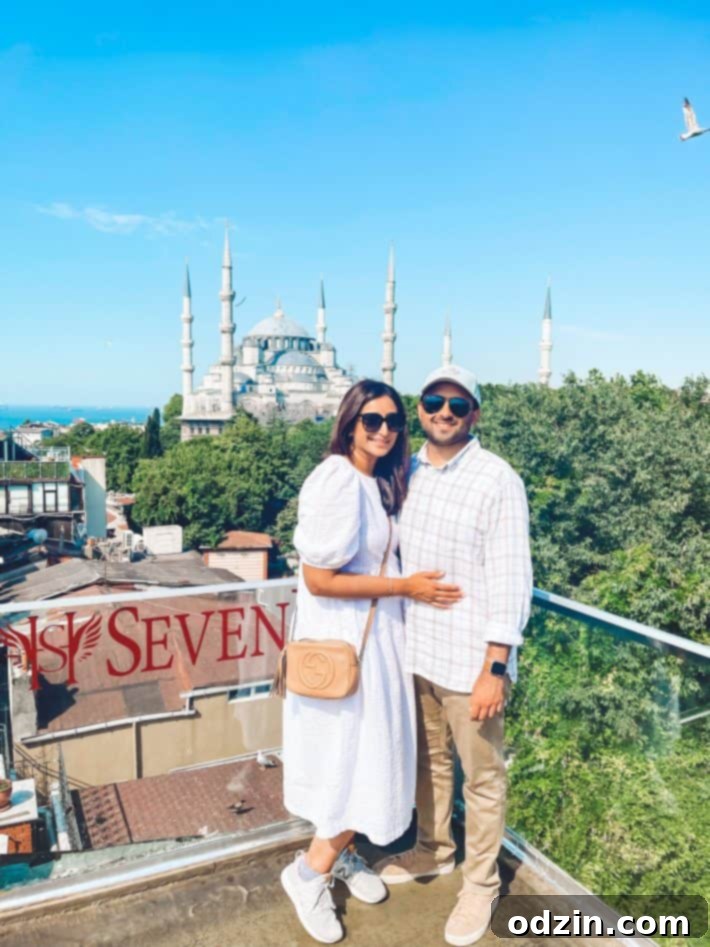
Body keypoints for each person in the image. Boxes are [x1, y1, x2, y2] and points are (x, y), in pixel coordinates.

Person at [281, 378, 463, 945]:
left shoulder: (376, 480)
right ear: (350, 422)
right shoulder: (337, 478)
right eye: (372, 421)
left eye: (393, 421)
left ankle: (340, 855)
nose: (384, 430)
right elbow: (319, 578)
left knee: (363, 761)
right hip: (347, 648)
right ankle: (308, 873)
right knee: (355, 762)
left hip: (375, 643)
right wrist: (405, 586)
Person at [375, 364, 533, 947]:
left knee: (482, 779)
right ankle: (432, 849)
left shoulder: (496, 479)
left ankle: (480, 883)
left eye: (457, 405)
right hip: (417, 649)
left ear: (475, 415)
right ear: (420, 409)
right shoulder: (408, 470)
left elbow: (512, 577)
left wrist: (495, 667)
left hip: (472, 662)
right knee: (428, 763)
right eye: (433, 401)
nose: (444, 412)